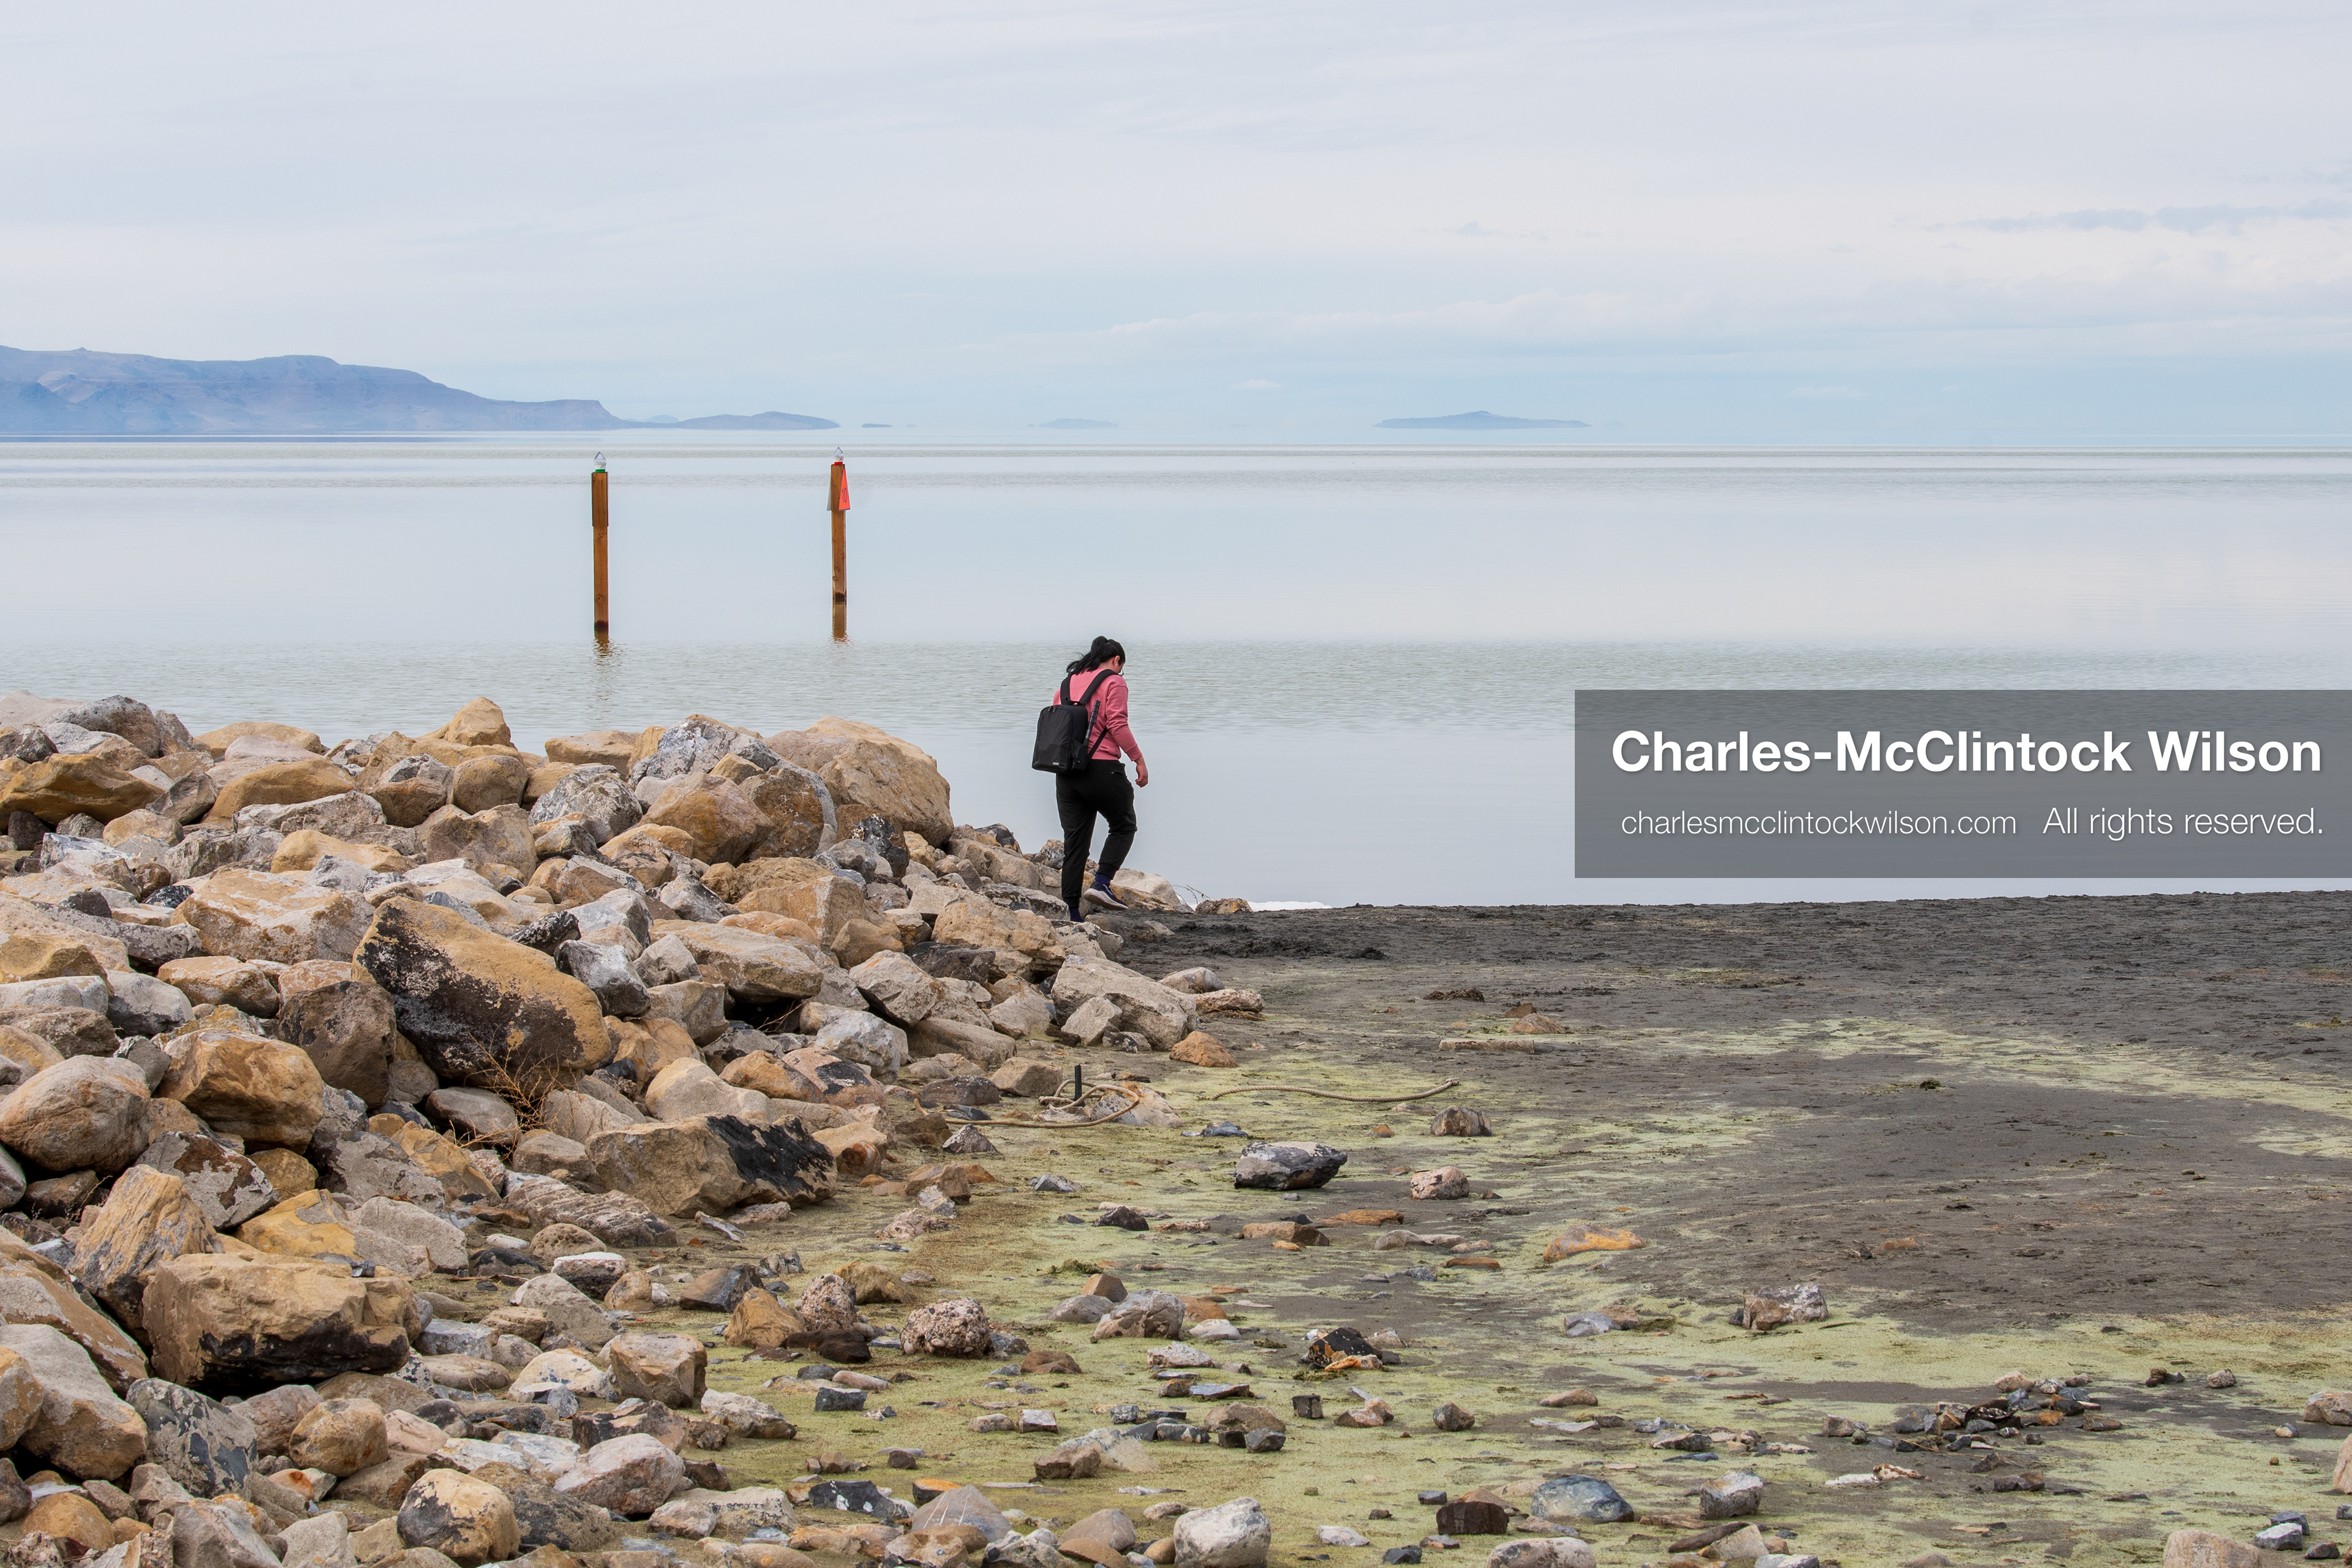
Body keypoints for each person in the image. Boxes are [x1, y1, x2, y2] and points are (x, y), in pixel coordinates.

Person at [1049, 635, 1148, 920]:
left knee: (1075, 842)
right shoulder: (1114, 681)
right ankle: (1102, 883)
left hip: (1066, 773)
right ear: (1116, 660)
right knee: (1124, 826)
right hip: (1102, 768)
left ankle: (1073, 914)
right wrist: (1138, 759)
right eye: (1122, 667)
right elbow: (1117, 722)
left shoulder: (1067, 683)